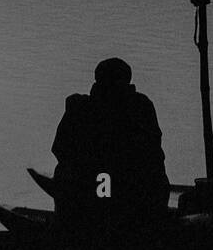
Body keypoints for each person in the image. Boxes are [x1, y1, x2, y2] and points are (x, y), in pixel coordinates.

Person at [51, 58, 169, 230]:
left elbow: (60, 149)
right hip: (120, 188)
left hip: (119, 189)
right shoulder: (141, 106)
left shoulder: (81, 108)